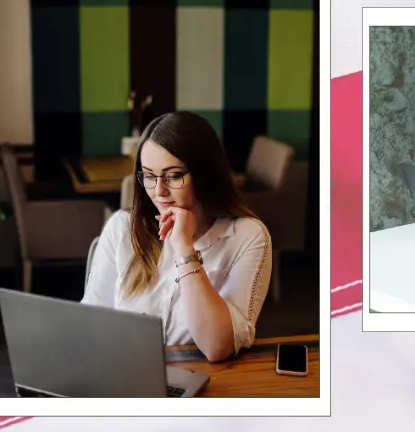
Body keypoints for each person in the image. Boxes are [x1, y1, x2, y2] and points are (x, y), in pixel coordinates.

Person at [81, 112, 272, 363]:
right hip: (128, 377)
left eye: (172, 176)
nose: (159, 191)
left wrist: (184, 249)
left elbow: (217, 346)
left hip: (204, 384)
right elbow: (89, 325)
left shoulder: (246, 236)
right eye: (149, 176)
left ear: (204, 173)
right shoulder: (121, 229)